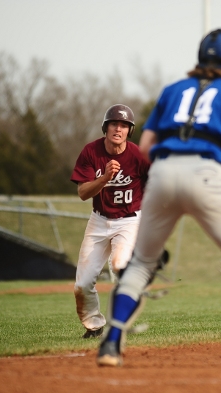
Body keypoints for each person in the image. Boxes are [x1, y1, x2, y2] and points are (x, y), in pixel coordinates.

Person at [96, 28, 221, 369]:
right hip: (207, 174)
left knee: (141, 264)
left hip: (163, 173)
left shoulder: (173, 89)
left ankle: (111, 344)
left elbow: (149, 146)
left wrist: (163, 182)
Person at [70, 104, 150, 338]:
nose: (119, 129)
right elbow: (83, 193)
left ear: (129, 131)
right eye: (114, 124)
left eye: (124, 125)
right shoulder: (91, 152)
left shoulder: (137, 155)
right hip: (99, 220)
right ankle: (94, 327)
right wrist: (105, 177)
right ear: (105, 128)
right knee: (82, 284)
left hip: (129, 221)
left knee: (120, 266)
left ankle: (122, 320)